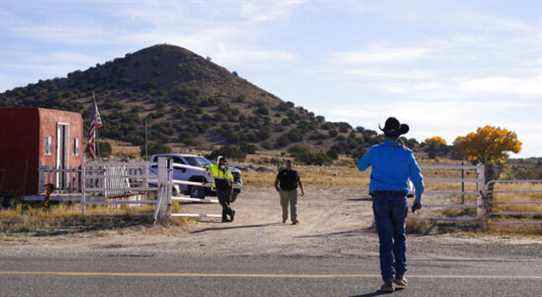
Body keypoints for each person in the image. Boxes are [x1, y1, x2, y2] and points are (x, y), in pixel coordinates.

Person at [357, 117, 424, 293]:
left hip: (380, 198)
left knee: (385, 240)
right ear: (399, 134)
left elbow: (360, 166)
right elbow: (418, 180)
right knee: (399, 237)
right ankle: (400, 276)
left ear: (384, 133)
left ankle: (387, 281)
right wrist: (418, 199)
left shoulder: (375, 150)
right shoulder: (407, 153)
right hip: (399, 198)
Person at [275, 160, 305, 225]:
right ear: (285, 165)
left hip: (293, 191)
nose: (289, 165)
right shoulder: (281, 172)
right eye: (288, 164)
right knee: (284, 206)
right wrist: (278, 189)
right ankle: (284, 218)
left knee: (293, 206)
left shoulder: (295, 172)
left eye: (290, 164)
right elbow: (276, 181)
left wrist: (302, 190)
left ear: (291, 165)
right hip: (283, 191)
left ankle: (294, 220)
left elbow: (299, 181)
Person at [209, 156, 235, 223]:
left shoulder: (227, 169)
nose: (223, 163)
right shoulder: (214, 167)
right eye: (221, 161)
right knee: (222, 202)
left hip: (227, 186)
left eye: (224, 161)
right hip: (219, 187)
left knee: (226, 202)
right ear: (218, 161)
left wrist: (231, 183)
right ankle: (231, 212)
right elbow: (208, 167)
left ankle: (224, 218)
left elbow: (231, 177)